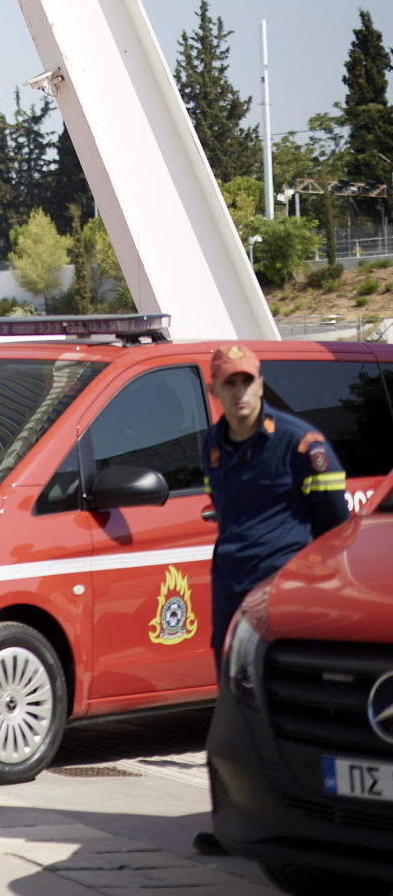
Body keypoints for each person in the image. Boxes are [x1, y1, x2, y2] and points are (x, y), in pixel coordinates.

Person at [193, 343, 349, 855]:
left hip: (278, 596)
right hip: (229, 589)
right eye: (228, 384)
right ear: (215, 392)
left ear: (260, 385)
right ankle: (230, 822)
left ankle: (310, 819)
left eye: (246, 382)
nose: (238, 392)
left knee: (284, 706)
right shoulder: (211, 446)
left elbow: (335, 529)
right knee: (230, 710)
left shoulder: (303, 445)